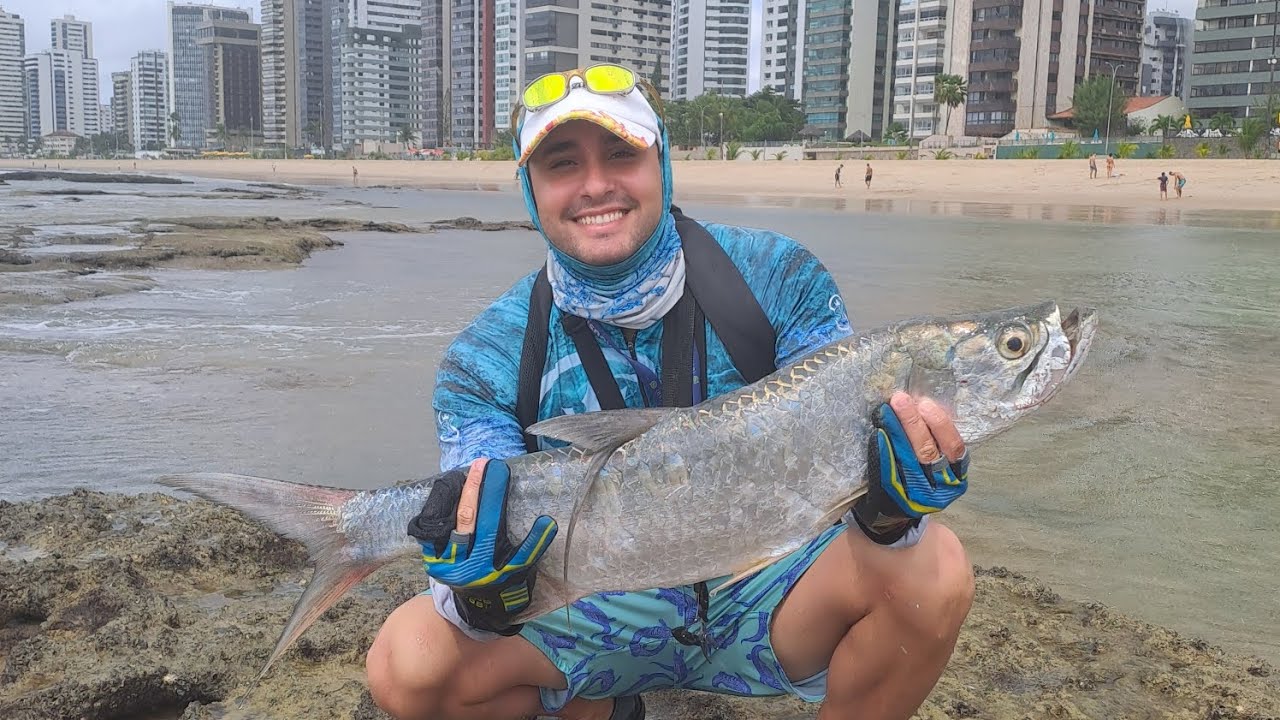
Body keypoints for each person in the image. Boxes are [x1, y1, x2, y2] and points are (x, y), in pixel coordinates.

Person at [366, 63, 975, 720]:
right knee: (408, 665)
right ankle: (603, 707)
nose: (596, 185)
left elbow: (835, 443)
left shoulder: (781, 278)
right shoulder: (483, 358)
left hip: (771, 595)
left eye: (621, 153)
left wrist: (889, 516)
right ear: (529, 189)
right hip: (594, 613)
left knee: (934, 569)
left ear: (662, 164)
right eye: (563, 164)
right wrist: (483, 592)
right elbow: (473, 525)